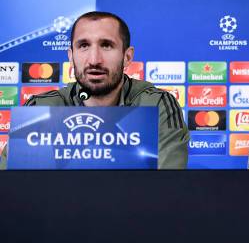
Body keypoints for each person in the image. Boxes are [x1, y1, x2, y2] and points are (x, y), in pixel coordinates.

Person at [0, 11, 189, 170]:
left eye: (106, 45)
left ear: (127, 57)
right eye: (83, 46)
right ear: (71, 56)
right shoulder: (40, 108)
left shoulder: (156, 105)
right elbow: (11, 190)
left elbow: (167, 187)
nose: (94, 60)